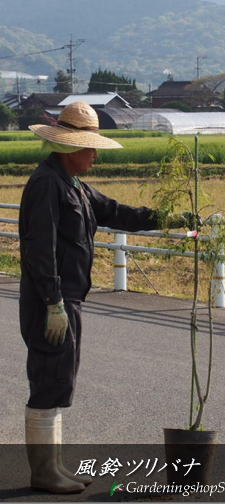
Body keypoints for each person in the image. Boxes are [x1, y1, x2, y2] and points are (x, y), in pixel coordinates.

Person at [19, 101, 192, 494]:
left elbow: (116, 212)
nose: (95, 154)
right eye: (90, 147)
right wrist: (52, 302)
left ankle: (54, 466)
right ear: (70, 146)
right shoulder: (47, 184)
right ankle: (44, 473)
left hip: (67, 300)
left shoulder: (74, 185)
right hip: (52, 302)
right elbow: (39, 248)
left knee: (59, 380)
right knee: (49, 379)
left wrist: (170, 219)